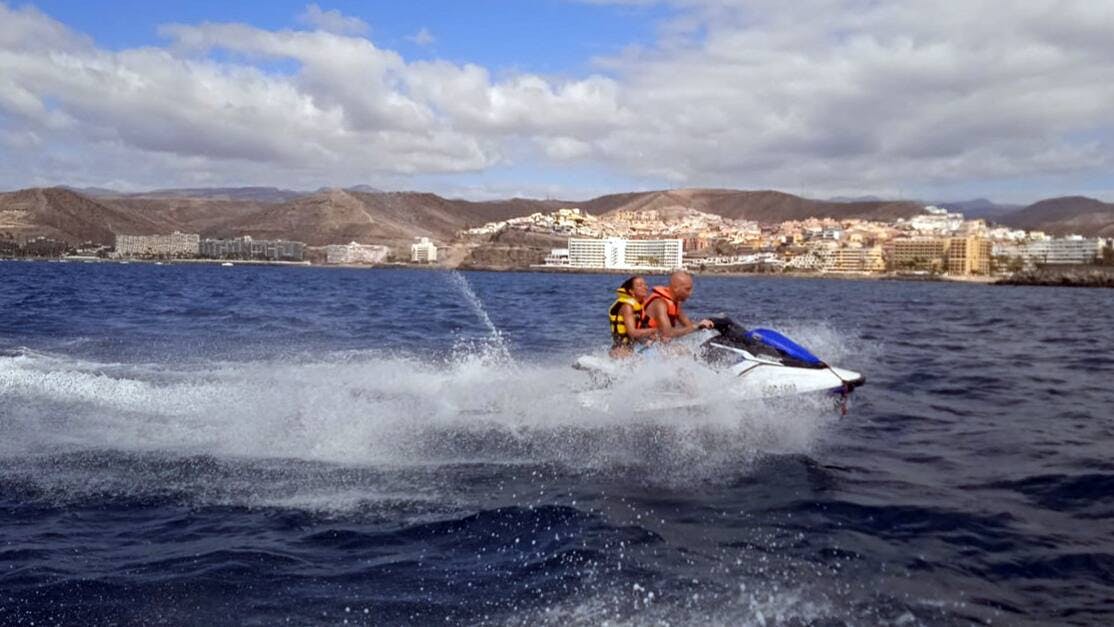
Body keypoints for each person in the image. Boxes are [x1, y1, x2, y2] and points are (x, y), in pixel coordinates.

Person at [641, 270, 714, 341]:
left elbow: (688, 326)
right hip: (643, 345)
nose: (690, 293)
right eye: (687, 289)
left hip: (660, 344)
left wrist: (703, 325)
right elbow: (668, 333)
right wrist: (696, 326)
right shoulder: (660, 304)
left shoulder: (675, 304)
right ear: (676, 288)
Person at [608, 275, 658, 357]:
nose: (644, 287)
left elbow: (636, 336)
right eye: (639, 285)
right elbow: (632, 333)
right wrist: (655, 330)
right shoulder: (627, 306)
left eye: (645, 285)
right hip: (620, 353)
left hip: (629, 352)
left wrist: (649, 339)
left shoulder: (639, 307)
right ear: (631, 291)